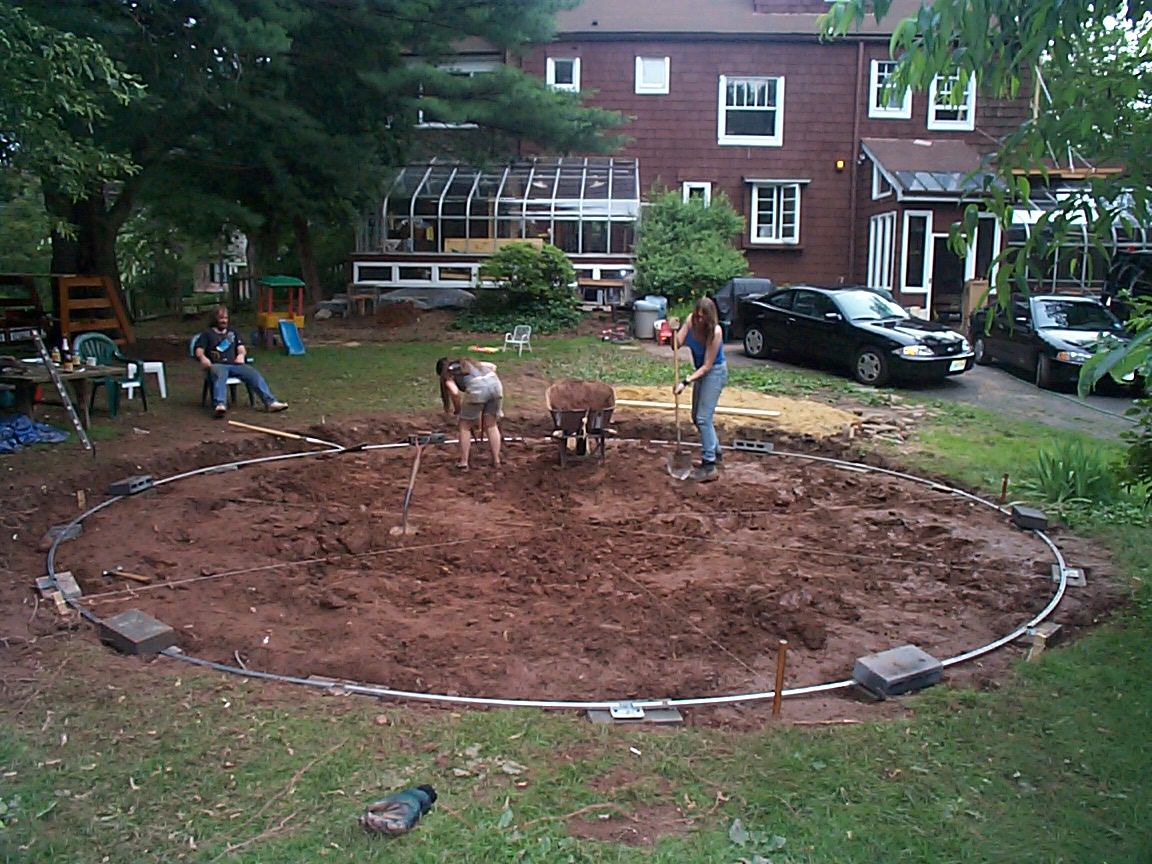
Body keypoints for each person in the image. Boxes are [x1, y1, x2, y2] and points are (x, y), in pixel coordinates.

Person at [194, 306, 288, 418]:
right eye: (221, 318)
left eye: (226, 318)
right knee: (219, 375)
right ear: (215, 319)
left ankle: (270, 402)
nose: (224, 321)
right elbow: (199, 350)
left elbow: (241, 347)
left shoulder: (233, 332)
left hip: (235, 365)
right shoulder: (207, 334)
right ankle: (220, 405)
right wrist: (203, 358)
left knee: (254, 374)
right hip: (217, 365)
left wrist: (241, 355)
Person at [673, 296, 728, 482]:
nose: (699, 320)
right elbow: (676, 344)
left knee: (704, 418)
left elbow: (707, 366)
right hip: (701, 372)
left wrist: (685, 382)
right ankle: (716, 452)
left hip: (714, 372)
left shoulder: (716, 332)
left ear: (710, 317)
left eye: (703, 317)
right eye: (697, 316)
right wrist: (673, 331)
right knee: (697, 417)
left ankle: (709, 465)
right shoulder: (690, 321)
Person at [436, 357, 503, 470]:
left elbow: (455, 393)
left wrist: (458, 410)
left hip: (477, 388)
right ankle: (496, 460)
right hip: (495, 385)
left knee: (464, 426)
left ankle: (463, 463)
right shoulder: (468, 364)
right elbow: (493, 366)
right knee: (491, 425)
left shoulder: (449, 375)